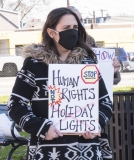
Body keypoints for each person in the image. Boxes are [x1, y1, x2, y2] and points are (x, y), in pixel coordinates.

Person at [7, 8, 112, 160]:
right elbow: (15, 105)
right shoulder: (34, 64)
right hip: (46, 151)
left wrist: (97, 122)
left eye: (75, 27)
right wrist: (42, 128)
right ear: (52, 33)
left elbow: (105, 102)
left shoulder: (87, 64)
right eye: (66, 28)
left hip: (87, 150)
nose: (72, 32)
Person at [67, 6, 121, 85]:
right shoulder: (58, 47)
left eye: (81, 20)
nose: (80, 23)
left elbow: (97, 76)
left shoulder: (90, 41)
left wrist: (111, 70)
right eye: (76, 20)